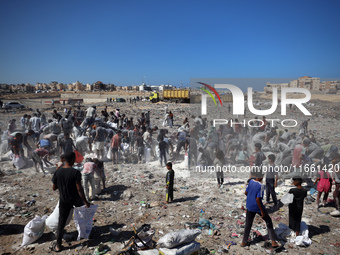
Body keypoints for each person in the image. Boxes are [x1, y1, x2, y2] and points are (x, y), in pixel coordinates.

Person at [51, 152, 90, 253]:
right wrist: (85, 201)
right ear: (72, 160)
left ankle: (58, 246)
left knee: (61, 223)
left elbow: (54, 188)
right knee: (84, 215)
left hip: (64, 200)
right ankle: (86, 233)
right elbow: (79, 189)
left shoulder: (58, 172)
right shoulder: (75, 172)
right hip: (75, 199)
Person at [240, 171, 280, 249]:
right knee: (268, 221)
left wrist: (251, 197)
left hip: (249, 206)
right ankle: (273, 241)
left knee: (248, 224)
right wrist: (262, 210)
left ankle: (244, 242)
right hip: (257, 207)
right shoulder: (261, 186)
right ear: (261, 176)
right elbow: (258, 199)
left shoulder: (251, 181)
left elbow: (245, 192)